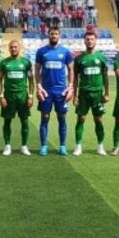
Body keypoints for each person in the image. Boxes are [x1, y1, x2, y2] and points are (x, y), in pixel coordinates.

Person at [35, 27, 74, 156]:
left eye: (56, 34)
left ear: (59, 35)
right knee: (44, 118)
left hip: (60, 92)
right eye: (52, 34)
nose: (54, 36)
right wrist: (38, 85)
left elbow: (70, 69)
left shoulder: (65, 52)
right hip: (46, 91)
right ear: (48, 35)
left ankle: (62, 146)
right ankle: (44, 146)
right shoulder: (41, 51)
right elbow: (37, 70)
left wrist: (71, 86)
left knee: (61, 118)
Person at [72, 31, 110, 156]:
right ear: (84, 41)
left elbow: (105, 76)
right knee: (81, 118)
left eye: (92, 39)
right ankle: (78, 146)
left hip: (98, 94)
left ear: (95, 40)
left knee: (98, 119)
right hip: (83, 93)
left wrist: (107, 93)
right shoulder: (79, 59)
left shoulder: (101, 57)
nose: (89, 41)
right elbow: (76, 78)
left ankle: (100, 146)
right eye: (87, 39)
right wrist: (75, 95)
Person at [0, 39, 34, 156]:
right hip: (9, 96)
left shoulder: (26, 63)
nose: (13, 49)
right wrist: (1, 96)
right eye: (11, 47)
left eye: (15, 47)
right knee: (7, 121)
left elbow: (31, 80)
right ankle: (7, 146)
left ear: (19, 48)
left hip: (23, 95)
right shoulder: (4, 63)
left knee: (25, 121)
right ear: (9, 49)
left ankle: (24, 146)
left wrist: (31, 96)